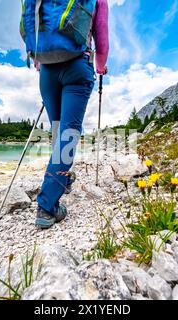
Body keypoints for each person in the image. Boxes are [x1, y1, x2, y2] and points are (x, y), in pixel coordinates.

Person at [33, 0, 109, 229]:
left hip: (47, 69)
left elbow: (36, 26)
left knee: (59, 131)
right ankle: (47, 206)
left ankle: (61, 179)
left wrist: (39, 60)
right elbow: (102, 41)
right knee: (68, 134)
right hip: (78, 66)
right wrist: (100, 66)